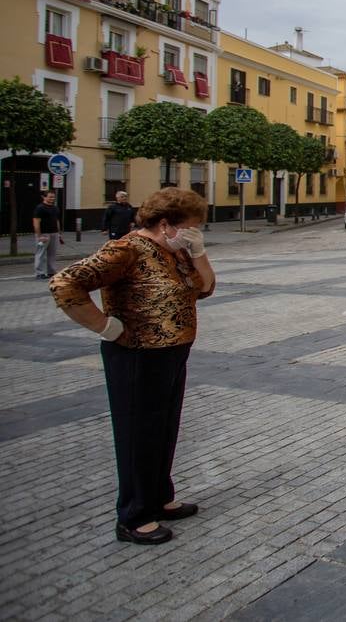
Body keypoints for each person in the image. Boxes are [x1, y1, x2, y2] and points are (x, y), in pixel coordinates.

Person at [48, 187, 215, 546]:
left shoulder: (177, 251)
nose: (195, 233)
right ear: (166, 224)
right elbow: (65, 283)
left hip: (173, 350)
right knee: (138, 433)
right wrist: (105, 327)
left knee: (164, 427)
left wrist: (198, 252)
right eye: (191, 227)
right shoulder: (126, 249)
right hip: (137, 354)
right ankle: (134, 515)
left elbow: (206, 287)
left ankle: (159, 498)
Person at [32, 189, 62, 279]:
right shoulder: (40, 208)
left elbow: (57, 221)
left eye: (53, 197)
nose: (52, 199)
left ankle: (51, 272)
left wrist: (59, 233)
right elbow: (36, 222)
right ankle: (39, 273)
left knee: (52, 254)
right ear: (44, 197)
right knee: (40, 253)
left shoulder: (55, 208)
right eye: (50, 197)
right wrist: (39, 235)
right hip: (44, 234)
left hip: (54, 233)